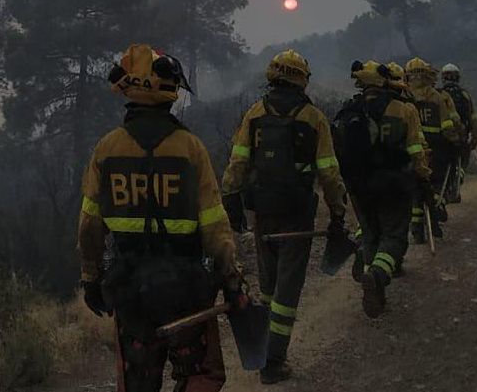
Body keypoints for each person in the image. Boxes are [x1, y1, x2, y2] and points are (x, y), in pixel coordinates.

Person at [78, 44, 246, 392]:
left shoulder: (107, 149)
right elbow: (215, 226)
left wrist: (91, 279)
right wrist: (231, 280)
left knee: (138, 383)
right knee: (202, 375)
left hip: (130, 291)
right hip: (186, 289)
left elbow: (89, 226)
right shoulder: (190, 148)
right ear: (170, 95)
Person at [220, 50, 347, 384]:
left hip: (263, 210)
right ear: (302, 79)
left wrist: (230, 197)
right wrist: (337, 212)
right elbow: (329, 173)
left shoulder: (255, 113)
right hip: (297, 213)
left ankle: (265, 348)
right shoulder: (314, 117)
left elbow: (238, 162)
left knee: (269, 286)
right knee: (288, 291)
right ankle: (273, 360)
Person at [332, 61, 429, 318]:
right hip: (393, 186)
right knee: (395, 236)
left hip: (358, 188)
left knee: (371, 234)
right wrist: (423, 179)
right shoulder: (403, 110)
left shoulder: (348, 111)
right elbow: (416, 151)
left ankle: (372, 275)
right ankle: (378, 274)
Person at [403, 58, 460, 243]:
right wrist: (455, 142)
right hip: (437, 149)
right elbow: (447, 125)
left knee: (415, 190)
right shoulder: (437, 97)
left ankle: (417, 230)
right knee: (434, 184)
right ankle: (434, 220)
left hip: (411, 149)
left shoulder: (404, 96)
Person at [439, 63, 477, 202]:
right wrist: (474, 137)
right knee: (463, 156)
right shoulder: (464, 95)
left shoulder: (437, 94)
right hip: (461, 136)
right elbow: (473, 118)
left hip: (442, 136)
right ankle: (460, 172)